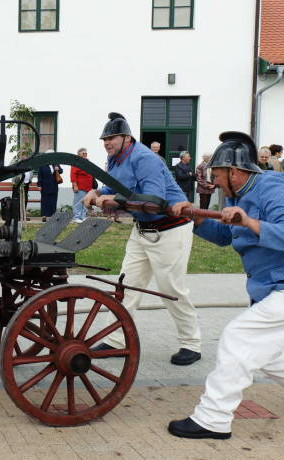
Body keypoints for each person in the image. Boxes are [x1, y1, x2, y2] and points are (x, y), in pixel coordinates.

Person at [167, 131, 284, 440]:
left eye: (218, 175)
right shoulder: (238, 196)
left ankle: (213, 418)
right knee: (272, 355)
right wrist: (194, 218)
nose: (215, 181)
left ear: (235, 172)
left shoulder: (274, 187)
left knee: (239, 337)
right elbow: (227, 236)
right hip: (281, 289)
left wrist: (249, 221)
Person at [81, 112, 202, 366]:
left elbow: (153, 200)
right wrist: (96, 191)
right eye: (104, 139)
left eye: (111, 138)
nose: (106, 143)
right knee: (126, 285)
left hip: (170, 227)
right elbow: (114, 186)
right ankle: (115, 339)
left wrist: (114, 201)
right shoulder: (114, 159)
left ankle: (191, 343)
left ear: (127, 137)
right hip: (143, 229)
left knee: (171, 288)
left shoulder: (145, 158)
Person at [69, 147, 95, 223]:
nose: (85, 155)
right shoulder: (76, 162)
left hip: (88, 186)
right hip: (80, 186)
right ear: (79, 154)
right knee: (78, 202)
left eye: (86, 153)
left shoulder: (87, 161)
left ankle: (83, 216)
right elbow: (73, 174)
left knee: (86, 201)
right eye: (83, 153)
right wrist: (75, 185)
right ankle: (76, 217)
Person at [36, 151, 63, 221]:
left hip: (54, 185)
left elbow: (61, 171)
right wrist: (39, 185)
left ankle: (52, 216)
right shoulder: (43, 164)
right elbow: (40, 175)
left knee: (53, 201)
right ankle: (44, 216)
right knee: (45, 201)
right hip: (45, 186)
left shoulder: (55, 163)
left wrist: (58, 169)